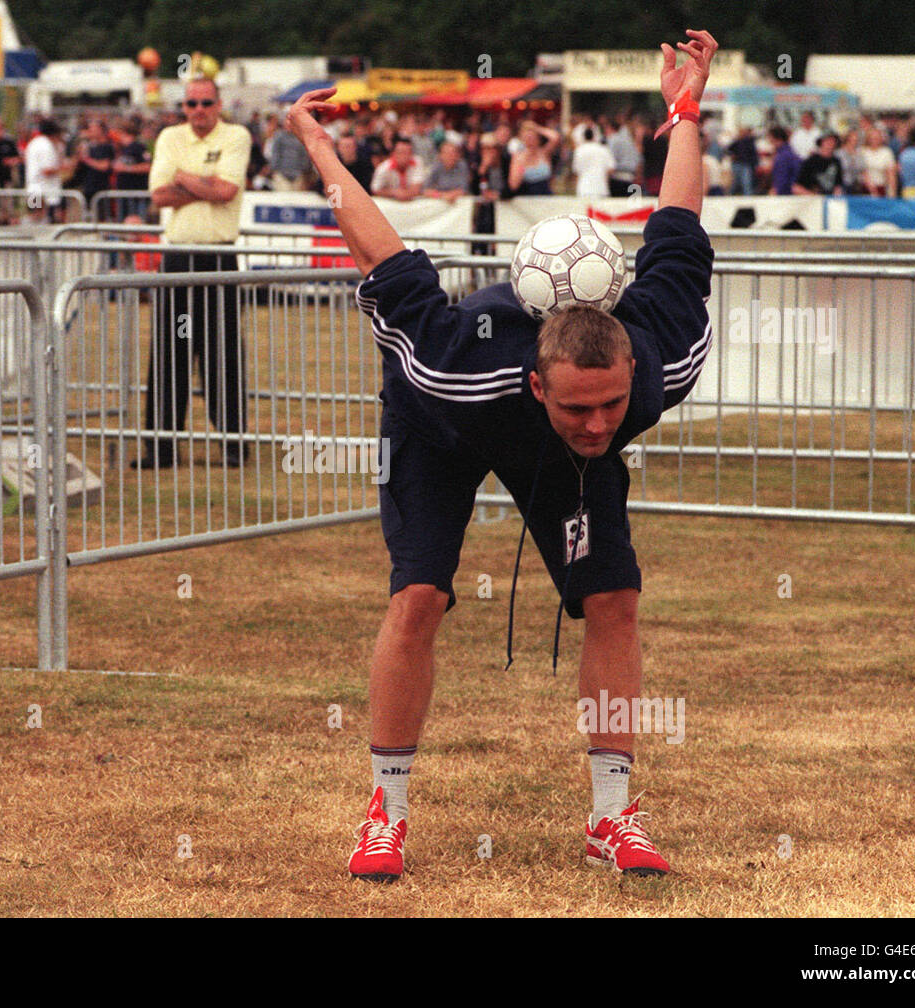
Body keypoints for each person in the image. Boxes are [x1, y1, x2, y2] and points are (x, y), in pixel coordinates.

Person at [283, 28, 719, 883]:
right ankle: (385, 814)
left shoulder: (664, 350)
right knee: (417, 597)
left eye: (611, 406)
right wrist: (318, 150)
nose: (600, 425)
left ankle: (611, 817)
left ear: (634, 367)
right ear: (535, 384)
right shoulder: (458, 361)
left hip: (547, 463)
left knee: (615, 599)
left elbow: (677, 219)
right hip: (437, 433)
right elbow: (382, 248)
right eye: (579, 408)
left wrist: (685, 107)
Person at [137, 77, 251, 469]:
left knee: (222, 351)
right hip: (178, 258)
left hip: (218, 257)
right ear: (183, 107)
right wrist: (205, 183)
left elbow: (226, 192)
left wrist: (183, 178)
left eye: (205, 102)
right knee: (170, 350)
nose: (198, 110)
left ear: (219, 105)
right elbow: (158, 196)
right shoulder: (170, 137)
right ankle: (161, 447)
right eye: (191, 103)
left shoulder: (236, 136)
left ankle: (234, 444)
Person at [24, 118, 67, 224]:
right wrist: (64, 168)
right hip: (45, 192)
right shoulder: (46, 145)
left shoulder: (33, 143)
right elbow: (47, 170)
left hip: (32, 188)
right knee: (45, 222)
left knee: (33, 219)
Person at [571, 125, 615, 198]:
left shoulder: (579, 150)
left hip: (583, 189)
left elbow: (576, 171)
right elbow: (611, 169)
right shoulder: (604, 149)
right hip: (601, 188)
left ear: (583, 137)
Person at [858, 127, 898, 196]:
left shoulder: (886, 152)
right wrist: (871, 189)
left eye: (877, 138)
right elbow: (862, 171)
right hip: (864, 188)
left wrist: (892, 192)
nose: (874, 140)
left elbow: (890, 174)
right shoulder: (862, 151)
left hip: (881, 188)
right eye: (872, 138)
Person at [767, 125, 801, 195]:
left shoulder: (782, 156)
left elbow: (782, 178)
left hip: (786, 194)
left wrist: (776, 192)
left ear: (775, 138)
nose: (768, 140)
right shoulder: (789, 151)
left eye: (769, 137)